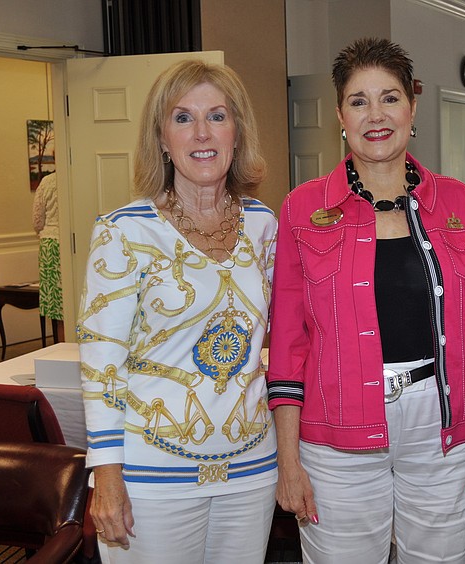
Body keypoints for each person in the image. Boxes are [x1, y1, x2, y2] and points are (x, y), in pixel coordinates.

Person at [266, 37, 465, 564]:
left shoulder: (459, 202)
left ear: (412, 107)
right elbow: (288, 340)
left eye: (390, 97)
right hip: (336, 435)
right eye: (359, 100)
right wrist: (288, 458)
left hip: (445, 425)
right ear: (340, 116)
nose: (376, 115)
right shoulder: (303, 208)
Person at [78, 59, 277, 563]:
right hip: (152, 475)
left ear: (237, 131)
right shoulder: (124, 232)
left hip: (251, 466)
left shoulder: (264, 224)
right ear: (162, 139)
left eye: (217, 115)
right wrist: (106, 475)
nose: (202, 132)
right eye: (183, 118)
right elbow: (102, 365)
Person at [32, 172, 65, 342]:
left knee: (58, 309)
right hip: (74, 243)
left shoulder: (47, 181)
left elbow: (37, 220)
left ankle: (60, 349)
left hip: (50, 245)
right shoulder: (79, 177)